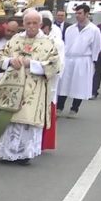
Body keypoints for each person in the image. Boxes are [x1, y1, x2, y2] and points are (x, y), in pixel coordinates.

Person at [0, 10, 61, 165]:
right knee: (11, 121)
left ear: (40, 24)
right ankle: (7, 154)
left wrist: (32, 64)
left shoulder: (49, 43)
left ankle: (24, 154)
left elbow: (54, 65)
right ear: (24, 24)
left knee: (27, 121)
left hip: (34, 89)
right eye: (28, 23)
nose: (31, 26)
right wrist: (9, 61)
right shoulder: (16, 39)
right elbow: (0, 55)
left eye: (35, 23)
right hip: (14, 87)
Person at [57, 4, 101, 117]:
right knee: (64, 84)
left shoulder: (94, 30)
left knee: (79, 85)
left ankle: (74, 108)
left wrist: (93, 61)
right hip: (69, 59)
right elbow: (66, 44)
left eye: (80, 13)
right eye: (76, 13)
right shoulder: (70, 29)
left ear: (86, 14)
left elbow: (96, 47)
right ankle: (59, 107)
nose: (77, 16)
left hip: (83, 60)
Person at [40, 15, 65, 151]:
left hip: (47, 81)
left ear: (48, 28)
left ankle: (44, 142)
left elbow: (59, 65)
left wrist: (41, 69)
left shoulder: (57, 43)